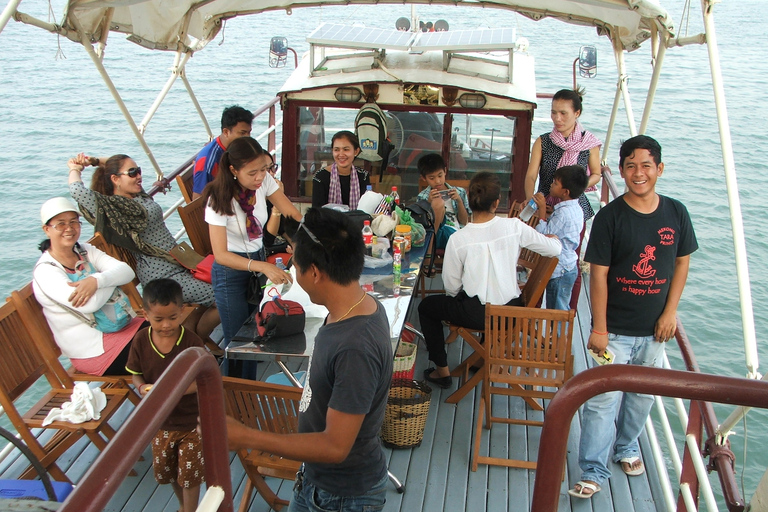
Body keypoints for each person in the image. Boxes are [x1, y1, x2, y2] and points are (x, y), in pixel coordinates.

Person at [227, 207, 392, 512]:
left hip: (342, 497)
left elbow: (335, 446)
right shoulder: (356, 305)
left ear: (315, 272)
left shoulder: (356, 346)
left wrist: (246, 436)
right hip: (315, 478)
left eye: (296, 265)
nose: (294, 271)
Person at [569, 135, 697, 499]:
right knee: (601, 400)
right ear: (621, 170)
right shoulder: (611, 217)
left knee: (641, 397)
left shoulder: (676, 212)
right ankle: (593, 469)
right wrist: (599, 328)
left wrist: (670, 313)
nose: (638, 173)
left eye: (646, 165)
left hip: (656, 330)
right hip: (615, 332)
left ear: (659, 168)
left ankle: (626, 447)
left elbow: (683, 261)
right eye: (630, 166)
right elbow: (598, 274)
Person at [419, 172, 562, 389]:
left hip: (478, 316)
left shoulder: (459, 239)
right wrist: (554, 238)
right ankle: (480, 357)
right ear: (496, 203)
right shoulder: (514, 226)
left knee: (427, 307)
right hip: (511, 313)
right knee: (484, 297)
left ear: (470, 201)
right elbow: (554, 250)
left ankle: (442, 371)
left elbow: (451, 287)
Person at [67, 153, 220, 349]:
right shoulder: (120, 207)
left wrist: (94, 161)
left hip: (178, 263)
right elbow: (79, 193)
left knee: (229, 282)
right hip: (162, 275)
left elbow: (116, 166)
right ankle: (197, 338)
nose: (139, 176)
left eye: (138, 171)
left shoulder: (137, 195)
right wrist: (75, 169)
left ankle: (195, 338)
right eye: (132, 173)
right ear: (115, 179)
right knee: (222, 294)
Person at [204, 137, 301, 363]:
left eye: (263, 170)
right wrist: (264, 266)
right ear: (233, 170)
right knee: (238, 345)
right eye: (252, 173)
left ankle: (249, 386)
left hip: (257, 264)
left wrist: (302, 241)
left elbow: (292, 213)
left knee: (257, 335)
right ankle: (234, 393)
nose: (260, 177)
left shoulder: (264, 181)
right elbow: (220, 255)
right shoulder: (218, 199)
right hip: (231, 272)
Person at [33, 197, 146, 376]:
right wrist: (110, 279)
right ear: (47, 230)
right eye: (60, 224)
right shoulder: (46, 272)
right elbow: (89, 304)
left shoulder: (85, 250)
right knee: (160, 352)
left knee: (176, 338)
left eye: (73, 222)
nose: (69, 229)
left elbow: (126, 271)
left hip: (123, 326)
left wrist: (96, 282)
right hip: (94, 350)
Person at [126, 279, 205, 512]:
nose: (166, 325)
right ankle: (183, 506)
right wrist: (141, 388)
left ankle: (190, 510)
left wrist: (173, 390)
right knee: (167, 471)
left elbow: (201, 380)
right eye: (158, 319)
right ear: (145, 314)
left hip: (192, 422)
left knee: (190, 475)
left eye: (173, 318)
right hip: (160, 422)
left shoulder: (192, 342)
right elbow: (136, 375)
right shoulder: (141, 340)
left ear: (182, 311)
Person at [524, 88, 603, 310]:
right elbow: (531, 175)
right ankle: (532, 308)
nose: (557, 118)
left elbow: (596, 173)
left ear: (577, 113)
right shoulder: (543, 141)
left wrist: (576, 186)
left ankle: (569, 313)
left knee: (570, 263)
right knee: (539, 260)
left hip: (574, 207)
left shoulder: (589, 143)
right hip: (546, 207)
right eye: (553, 113)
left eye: (563, 113)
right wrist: (532, 199)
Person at [532, 165, 588, 310]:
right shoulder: (577, 209)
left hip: (559, 269)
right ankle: (558, 332)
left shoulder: (562, 214)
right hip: (569, 265)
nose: (551, 184)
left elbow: (546, 238)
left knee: (557, 311)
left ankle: (558, 333)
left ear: (565, 192)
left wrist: (542, 213)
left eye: (555, 183)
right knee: (561, 306)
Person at [192, 105, 254, 200]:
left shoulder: (236, 148)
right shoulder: (209, 159)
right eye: (242, 133)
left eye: (249, 133)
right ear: (226, 132)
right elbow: (198, 200)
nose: (247, 138)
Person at [416, 153, 471, 250]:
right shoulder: (423, 196)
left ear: (445, 171)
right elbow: (422, 224)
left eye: (440, 176)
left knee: (456, 238)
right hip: (435, 233)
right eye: (432, 178)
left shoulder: (460, 192)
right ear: (424, 178)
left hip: (454, 232)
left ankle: (428, 254)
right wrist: (428, 203)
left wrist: (459, 201)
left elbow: (464, 221)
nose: (437, 181)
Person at [311, 131, 370, 209]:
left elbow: (366, 209)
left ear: (356, 151)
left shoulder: (363, 176)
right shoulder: (320, 177)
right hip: (328, 221)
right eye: (336, 150)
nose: (341, 154)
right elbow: (316, 212)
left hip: (356, 220)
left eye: (346, 149)